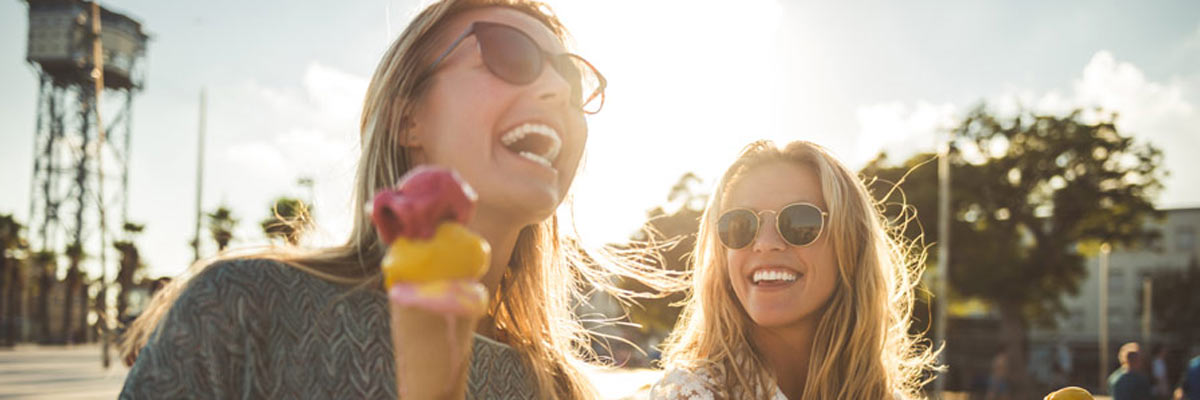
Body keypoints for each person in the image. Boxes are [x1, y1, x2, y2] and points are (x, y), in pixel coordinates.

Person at [118, 0, 672, 398]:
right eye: (509, 55)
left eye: (574, 83)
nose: (556, 91)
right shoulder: (244, 305)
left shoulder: (560, 390)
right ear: (409, 116)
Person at [650, 140, 938, 400]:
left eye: (800, 222)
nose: (764, 244)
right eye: (740, 225)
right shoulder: (690, 395)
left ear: (851, 245)